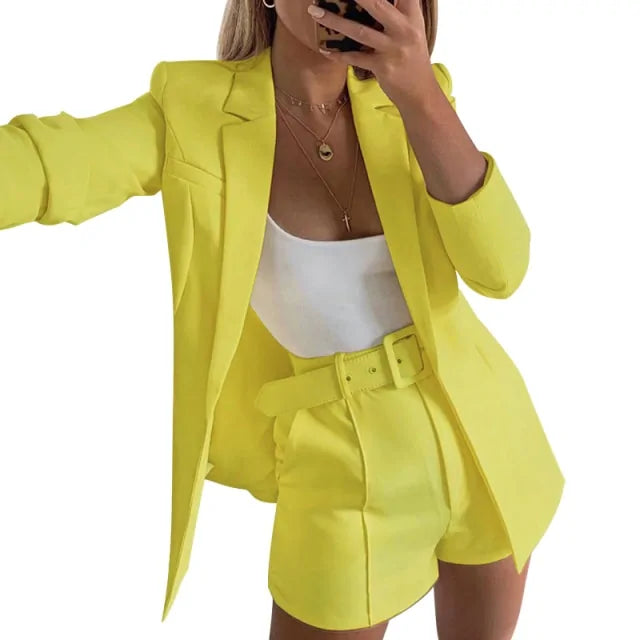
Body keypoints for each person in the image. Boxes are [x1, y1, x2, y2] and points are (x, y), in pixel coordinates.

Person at [0, 1, 565, 638]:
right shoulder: (194, 112)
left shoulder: (415, 101)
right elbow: (48, 165)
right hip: (338, 468)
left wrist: (418, 92)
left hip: (483, 438)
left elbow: (502, 271)